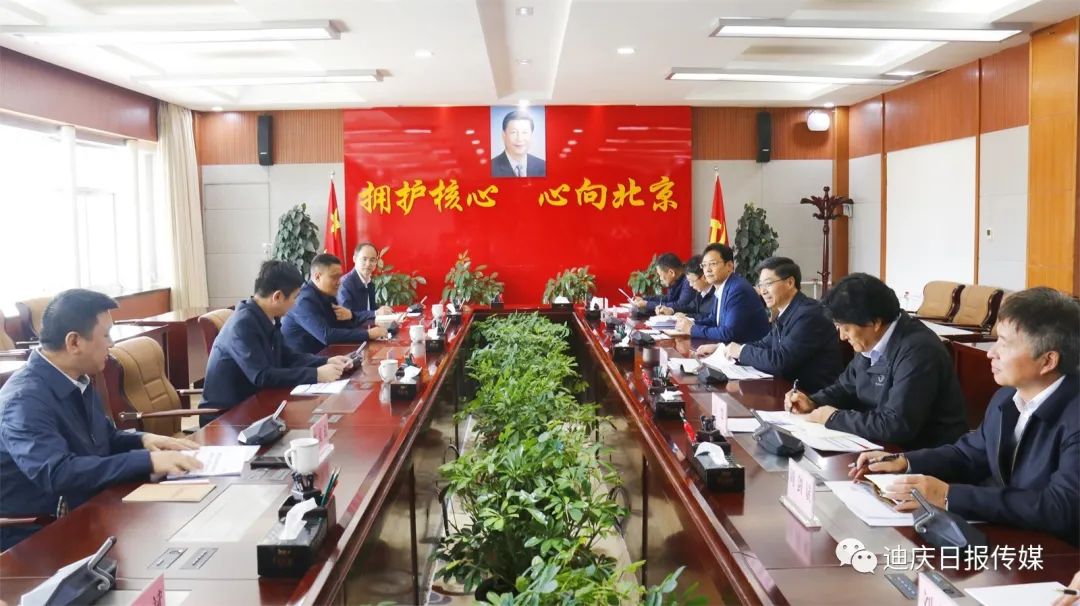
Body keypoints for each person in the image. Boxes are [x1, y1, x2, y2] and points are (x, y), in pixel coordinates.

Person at [852, 287, 1079, 545]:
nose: (991, 352)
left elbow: (1061, 507)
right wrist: (906, 462)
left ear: (1048, 361)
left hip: (1060, 552)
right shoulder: (1006, 397)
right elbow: (970, 454)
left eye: (1004, 344)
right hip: (1013, 533)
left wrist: (949, 495)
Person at [0, 290, 203, 550]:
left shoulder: (78, 379)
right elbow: (59, 473)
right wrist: (148, 461)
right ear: (74, 342)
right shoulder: (23, 401)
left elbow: (105, 438)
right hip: (39, 538)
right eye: (106, 334)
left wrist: (144, 440)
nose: (112, 344)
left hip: (90, 508)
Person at [786, 273, 968, 449]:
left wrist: (834, 418)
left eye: (846, 328)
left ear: (875, 322)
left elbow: (897, 424)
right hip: (882, 445)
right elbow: (846, 387)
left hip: (925, 455)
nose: (842, 336)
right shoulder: (870, 339)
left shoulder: (918, 350)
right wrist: (813, 402)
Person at [200, 260, 353, 424]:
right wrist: (316, 374)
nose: (296, 303)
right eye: (295, 297)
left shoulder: (268, 317)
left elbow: (288, 356)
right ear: (277, 297)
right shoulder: (243, 324)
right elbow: (262, 376)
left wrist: (326, 361)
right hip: (226, 417)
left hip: (257, 403)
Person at [696, 257, 842, 393]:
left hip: (812, 396)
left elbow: (781, 362)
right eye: (761, 285)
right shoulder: (788, 311)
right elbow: (764, 344)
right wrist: (723, 348)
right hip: (788, 390)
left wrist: (741, 352)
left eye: (768, 284)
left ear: (790, 283)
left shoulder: (808, 315)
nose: (763, 291)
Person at [283, 253, 388, 354]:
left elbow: (343, 326)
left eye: (339, 277)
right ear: (317, 277)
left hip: (326, 355)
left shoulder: (327, 295)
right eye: (334, 277)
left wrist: (355, 318)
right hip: (302, 362)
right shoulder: (303, 301)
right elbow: (327, 335)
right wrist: (368, 334)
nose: (339, 282)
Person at [674, 243, 769, 343]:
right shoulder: (722, 287)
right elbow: (713, 320)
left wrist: (692, 329)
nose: (707, 270)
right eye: (704, 265)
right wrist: (690, 324)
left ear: (729, 266)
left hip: (749, 349)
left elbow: (728, 333)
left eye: (713, 264)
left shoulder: (737, 290)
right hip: (729, 347)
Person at [338, 243, 393, 323]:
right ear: (354, 259)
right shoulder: (345, 284)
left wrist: (382, 310)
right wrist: (376, 313)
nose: (368, 264)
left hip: (367, 327)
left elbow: (370, 308)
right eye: (364, 259)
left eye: (372, 260)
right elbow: (347, 316)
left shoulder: (369, 282)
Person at [632, 253, 696, 315]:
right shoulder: (675, 279)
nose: (660, 278)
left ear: (671, 272)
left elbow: (680, 305)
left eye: (660, 275)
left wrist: (647, 304)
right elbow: (668, 298)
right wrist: (644, 299)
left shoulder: (689, 281)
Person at [491, 110, 546, 178]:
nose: (519, 138)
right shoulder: (491, 168)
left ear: (531, 135)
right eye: (513, 132)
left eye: (525, 132)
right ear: (503, 135)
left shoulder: (543, 166)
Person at [673, 255, 713, 321]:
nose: (690, 285)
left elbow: (709, 317)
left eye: (692, 281)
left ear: (704, 277)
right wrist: (671, 310)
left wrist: (687, 316)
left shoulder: (716, 294)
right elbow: (690, 307)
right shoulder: (700, 292)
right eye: (689, 281)